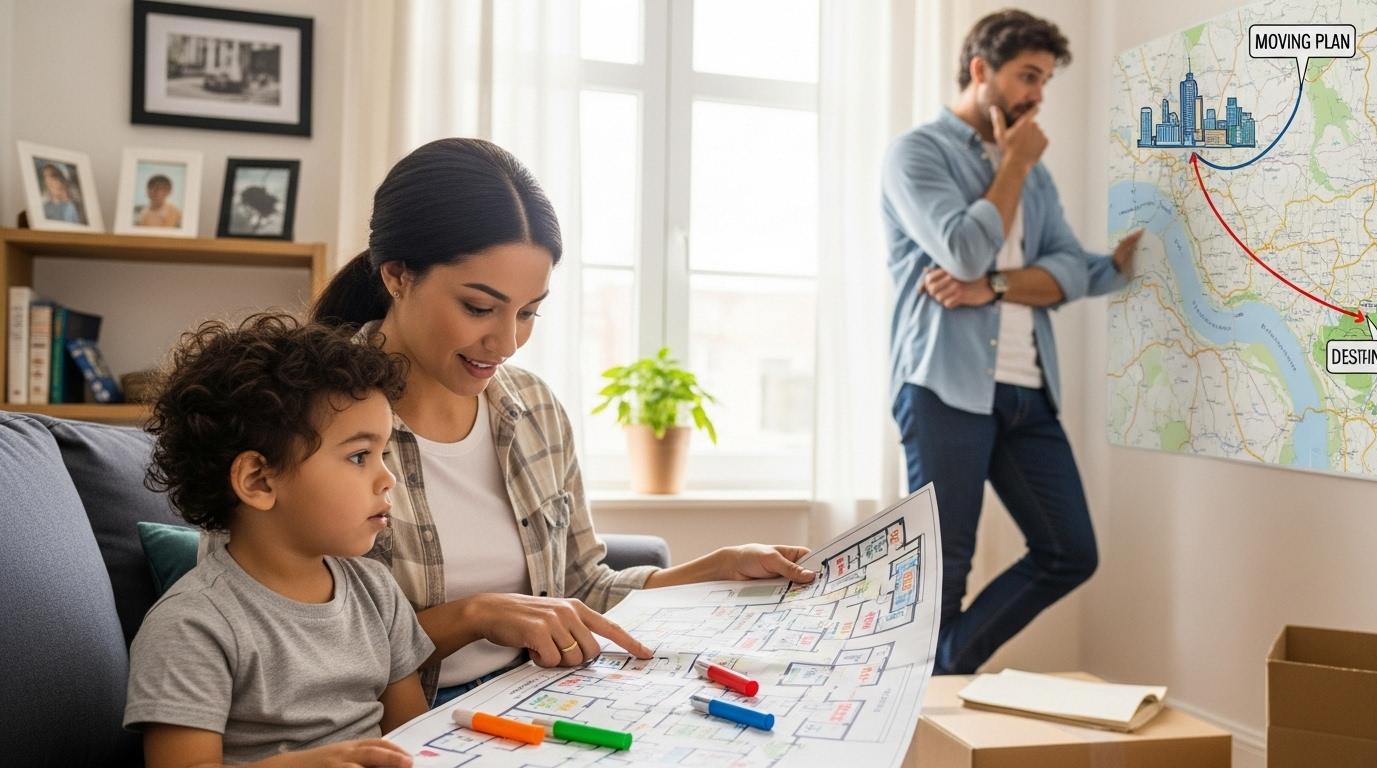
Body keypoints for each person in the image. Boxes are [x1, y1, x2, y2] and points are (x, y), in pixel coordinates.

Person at [311, 138, 818, 707]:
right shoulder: (310, 415)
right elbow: (301, 647)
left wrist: (714, 571)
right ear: (398, 276)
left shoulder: (533, 408)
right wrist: (474, 617)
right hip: (383, 727)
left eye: (528, 312)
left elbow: (581, 590)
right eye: (479, 308)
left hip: (534, 700)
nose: (506, 342)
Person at [881, 10, 1142, 675]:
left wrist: (996, 285)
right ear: (980, 70)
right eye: (1028, 76)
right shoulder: (918, 154)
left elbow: (1071, 271)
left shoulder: (1036, 174)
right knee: (944, 572)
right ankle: (920, 717)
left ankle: (937, 672)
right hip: (945, 385)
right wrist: (1017, 165)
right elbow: (964, 250)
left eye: (1045, 81)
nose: (1037, 96)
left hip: (1028, 391)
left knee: (1070, 550)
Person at [125, 313, 433, 767]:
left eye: (383, 454)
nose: (387, 478)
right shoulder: (192, 626)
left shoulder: (377, 592)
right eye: (359, 456)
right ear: (259, 481)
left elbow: (412, 739)